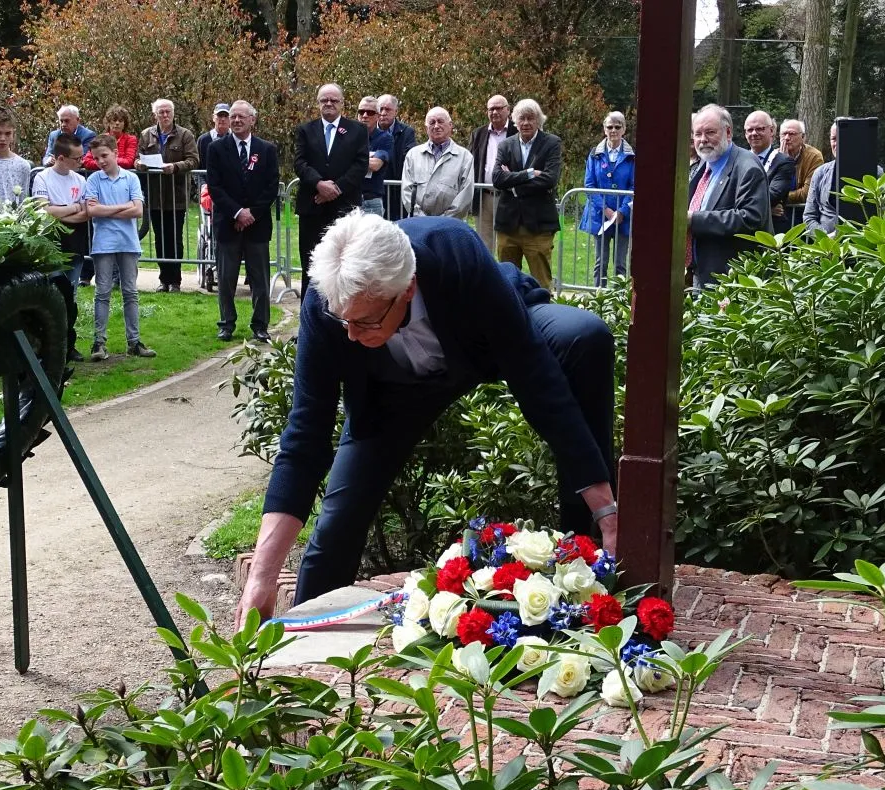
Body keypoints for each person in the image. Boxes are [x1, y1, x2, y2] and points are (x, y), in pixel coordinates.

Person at [234, 212, 617, 619]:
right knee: (337, 522)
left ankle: (588, 555)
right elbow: (304, 436)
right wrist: (263, 577)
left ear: (407, 288)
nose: (349, 335)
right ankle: (304, 635)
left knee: (584, 337)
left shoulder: (452, 248)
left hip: (487, 344)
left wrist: (604, 506)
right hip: (393, 388)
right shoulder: (328, 305)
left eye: (364, 321)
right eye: (343, 320)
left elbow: (535, 377)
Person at [206, 100, 278, 343]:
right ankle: (226, 323)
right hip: (228, 224)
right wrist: (237, 213)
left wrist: (250, 215)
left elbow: (271, 187)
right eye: (233, 116)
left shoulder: (266, 149)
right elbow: (215, 187)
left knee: (260, 278)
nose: (236, 120)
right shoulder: (216, 149)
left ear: (252, 120)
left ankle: (260, 325)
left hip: (257, 226)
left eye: (241, 117)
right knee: (226, 279)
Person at [292, 83, 367, 298]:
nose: (329, 103)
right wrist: (319, 184)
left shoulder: (357, 131)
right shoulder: (305, 130)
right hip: (312, 208)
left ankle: (343, 321)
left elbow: (360, 165)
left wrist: (336, 189)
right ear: (317, 103)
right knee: (311, 264)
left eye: (334, 100)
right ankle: (308, 322)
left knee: (345, 266)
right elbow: (300, 162)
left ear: (342, 104)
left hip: (344, 209)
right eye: (324, 99)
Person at [85, 134, 156, 362]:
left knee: (130, 292)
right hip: (103, 243)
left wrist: (107, 208)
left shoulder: (130, 179)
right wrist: (123, 206)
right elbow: (92, 211)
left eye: (104, 156)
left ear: (116, 153)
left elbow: (137, 211)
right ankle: (99, 341)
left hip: (128, 241)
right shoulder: (94, 180)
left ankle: (134, 342)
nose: (101, 161)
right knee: (102, 292)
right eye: (97, 158)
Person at [686, 104, 770, 288]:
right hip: (701, 273)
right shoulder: (706, 163)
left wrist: (693, 219)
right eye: (697, 134)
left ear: (728, 132)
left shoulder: (747, 167)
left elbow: (750, 218)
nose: (702, 140)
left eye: (710, 132)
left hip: (733, 281)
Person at [492, 98, 563, 291]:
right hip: (508, 226)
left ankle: (544, 318)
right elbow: (497, 179)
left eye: (531, 118)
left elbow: (549, 179)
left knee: (542, 284)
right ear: (515, 120)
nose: (525, 123)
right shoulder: (505, 145)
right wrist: (529, 174)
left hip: (538, 227)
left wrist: (514, 185)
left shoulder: (551, 143)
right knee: (507, 283)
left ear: (539, 120)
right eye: (521, 118)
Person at [32, 133, 90, 362]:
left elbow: (85, 212)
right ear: (60, 158)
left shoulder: (80, 180)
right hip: (51, 245)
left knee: (71, 296)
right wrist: (71, 208)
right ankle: (47, 345)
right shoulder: (42, 178)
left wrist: (62, 211)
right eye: (76, 158)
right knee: (53, 294)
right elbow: (44, 211)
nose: (81, 162)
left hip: (74, 244)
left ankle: (68, 344)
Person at [138, 99, 198, 293]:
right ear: (155, 115)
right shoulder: (147, 135)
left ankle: (175, 280)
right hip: (155, 197)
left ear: (173, 113)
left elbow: (193, 160)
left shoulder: (185, 135)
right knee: (159, 239)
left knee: (175, 238)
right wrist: (138, 164)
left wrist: (175, 167)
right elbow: (137, 156)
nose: (165, 115)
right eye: (161, 112)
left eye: (168, 112)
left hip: (176, 196)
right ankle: (164, 279)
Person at [578, 111, 635, 287]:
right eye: (610, 127)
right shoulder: (594, 154)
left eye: (618, 127)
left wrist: (622, 211)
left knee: (620, 264)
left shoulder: (632, 157)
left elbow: (634, 186)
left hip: (623, 218)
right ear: (604, 129)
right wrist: (606, 210)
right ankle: (599, 298)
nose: (613, 130)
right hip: (600, 215)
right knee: (600, 262)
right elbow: (589, 185)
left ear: (624, 129)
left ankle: (618, 302)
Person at [400, 106, 475, 219]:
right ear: (426, 128)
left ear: (450, 126)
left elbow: (465, 195)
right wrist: (420, 217)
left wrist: (444, 220)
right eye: (432, 122)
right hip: (419, 222)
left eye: (440, 121)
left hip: (450, 223)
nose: (436, 126)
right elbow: (406, 190)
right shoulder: (413, 155)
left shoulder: (465, 157)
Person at [743, 110, 795, 234]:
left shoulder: (784, 162)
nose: (754, 133)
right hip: (742, 230)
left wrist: (742, 206)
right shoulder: (738, 160)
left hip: (770, 232)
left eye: (760, 129)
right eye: (750, 130)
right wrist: (766, 208)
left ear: (771, 131)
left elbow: (773, 194)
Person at [469, 95, 510, 249]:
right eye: (491, 109)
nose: (494, 112)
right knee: (484, 244)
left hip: (508, 197)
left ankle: (505, 273)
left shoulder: (517, 131)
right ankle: (487, 273)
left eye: (499, 108)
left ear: (508, 110)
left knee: (506, 244)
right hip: (484, 196)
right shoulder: (478, 134)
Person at [376, 94, 416, 220]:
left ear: (396, 112)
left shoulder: (407, 132)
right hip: (374, 190)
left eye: (387, 109)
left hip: (396, 190)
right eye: (380, 109)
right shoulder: (368, 130)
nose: (383, 113)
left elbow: (408, 158)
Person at [356, 96, 394, 218]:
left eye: (370, 112)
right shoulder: (347, 135)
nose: (365, 115)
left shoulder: (385, 138)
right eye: (361, 112)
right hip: (349, 200)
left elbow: (375, 165)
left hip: (371, 201)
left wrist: (348, 158)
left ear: (378, 116)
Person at [780, 118, 824, 220]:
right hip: (780, 214)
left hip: (803, 214)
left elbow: (806, 193)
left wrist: (779, 198)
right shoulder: (775, 155)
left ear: (803, 137)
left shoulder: (814, 156)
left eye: (791, 134)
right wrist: (782, 162)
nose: (787, 138)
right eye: (784, 134)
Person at [804, 121, 841, 237]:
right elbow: (809, 217)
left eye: (843, 138)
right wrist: (825, 238)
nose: (837, 143)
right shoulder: (820, 173)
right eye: (834, 139)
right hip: (826, 249)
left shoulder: (874, 173)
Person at [81, 105, 138, 171]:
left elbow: (128, 162)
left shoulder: (131, 139)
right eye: (114, 120)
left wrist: (103, 161)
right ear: (108, 122)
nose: (117, 123)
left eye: (120, 121)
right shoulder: (100, 139)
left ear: (125, 124)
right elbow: (87, 161)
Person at [196, 103, 232, 168]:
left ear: (230, 118)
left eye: (226, 116)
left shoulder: (237, 138)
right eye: (220, 115)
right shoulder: (203, 140)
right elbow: (199, 166)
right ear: (213, 118)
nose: (223, 119)